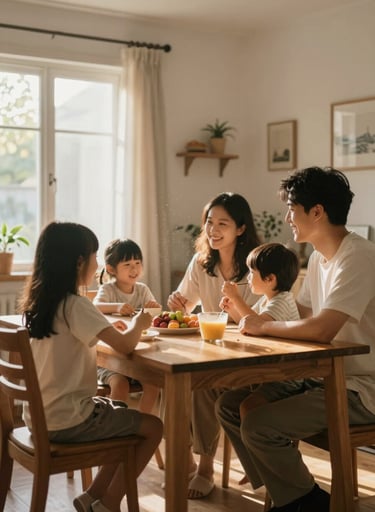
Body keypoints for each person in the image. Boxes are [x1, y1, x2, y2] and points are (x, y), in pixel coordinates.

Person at [216, 166, 375, 512]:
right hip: (325, 378)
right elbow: (299, 316)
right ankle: (292, 493)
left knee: (259, 424)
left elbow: (321, 329)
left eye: (292, 208)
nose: (287, 216)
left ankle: (306, 503)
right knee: (230, 405)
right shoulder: (318, 258)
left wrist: (261, 326)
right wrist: (252, 318)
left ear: (317, 211)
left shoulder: (359, 256)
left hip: (359, 388)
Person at [20, 222, 163, 512]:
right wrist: (139, 323)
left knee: (120, 414)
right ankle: (109, 503)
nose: (97, 263)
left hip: (40, 418)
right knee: (153, 427)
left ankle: (91, 497)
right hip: (68, 420)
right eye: (95, 255)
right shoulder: (77, 304)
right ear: (79, 261)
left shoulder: (41, 304)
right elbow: (125, 346)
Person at [167, 192, 261, 499]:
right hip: (215, 350)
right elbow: (187, 307)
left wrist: (234, 306)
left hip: (251, 357)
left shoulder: (255, 265)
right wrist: (177, 303)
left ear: (241, 229)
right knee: (183, 383)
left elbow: (263, 319)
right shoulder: (201, 261)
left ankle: (205, 467)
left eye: (223, 223)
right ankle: (195, 459)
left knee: (201, 384)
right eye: (209, 222)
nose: (213, 230)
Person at [93, 238, 161, 413]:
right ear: (111, 269)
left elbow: (155, 312)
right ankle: (115, 424)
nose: (134, 269)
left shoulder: (142, 289)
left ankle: (141, 420)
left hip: (137, 356)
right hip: (111, 359)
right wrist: (116, 307)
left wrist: (153, 309)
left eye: (138, 263)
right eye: (127, 264)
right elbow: (95, 307)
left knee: (153, 384)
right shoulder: (108, 289)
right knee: (120, 385)